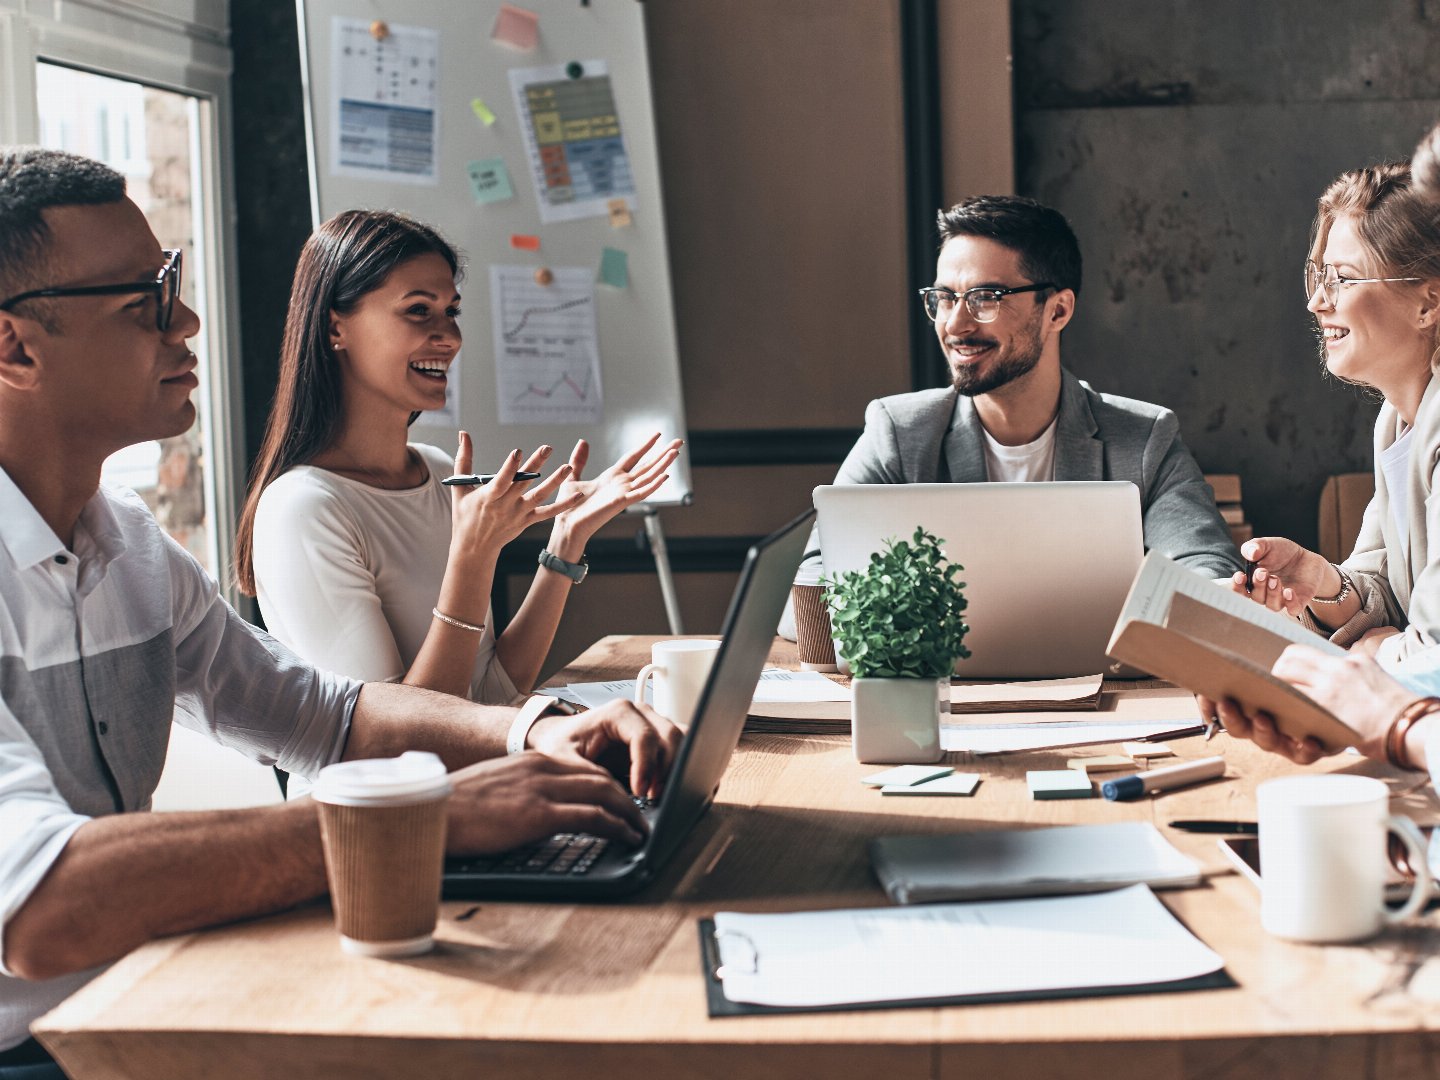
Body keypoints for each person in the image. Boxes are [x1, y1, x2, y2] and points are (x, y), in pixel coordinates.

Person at [0, 147, 680, 1072]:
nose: (188, 321)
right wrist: (427, 819)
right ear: (13, 346)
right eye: (144, 301)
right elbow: (44, 910)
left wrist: (534, 730)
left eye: (175, 287)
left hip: (139, 998)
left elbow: (327, 714)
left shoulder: (126, 541)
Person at [234, 209, 681, 715]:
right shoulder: (302, 509)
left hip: (474, 782)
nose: (450, 337)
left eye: (452, 311)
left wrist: (567, 540)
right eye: (419, 311)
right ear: (337, 327)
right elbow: (393, 740)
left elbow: (489, 696)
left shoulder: (438, 469)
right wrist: (471, 557)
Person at [790, 194, 1241, 623]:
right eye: (945, 298)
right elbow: (809, 590)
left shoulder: (1144, 440)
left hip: (1105, 693)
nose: (956, 324)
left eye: (986, 298)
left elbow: (1210, 575)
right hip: (949, 698)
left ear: (1058, 311)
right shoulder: (899, 434)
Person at [1223, 161, 1440, 665]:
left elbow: (1434, 654)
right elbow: (1389, 590)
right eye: (1319, 276)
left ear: (1428, 302)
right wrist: (1323, 582)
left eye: (1343, 278)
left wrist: (1382, 652)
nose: (1318, 302)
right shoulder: (1396, 420)